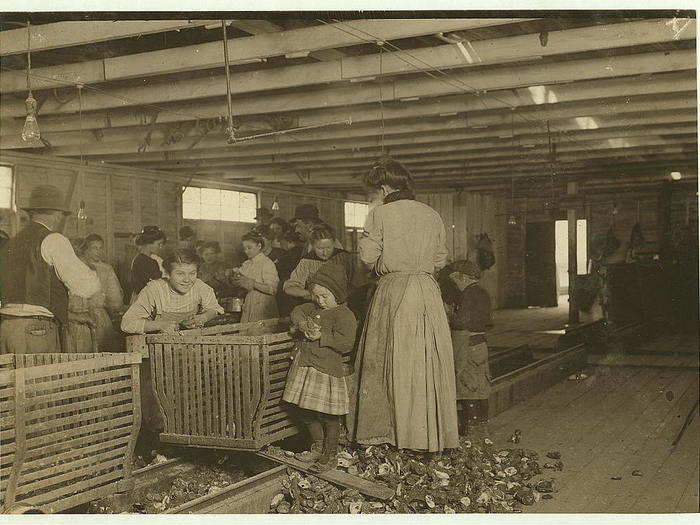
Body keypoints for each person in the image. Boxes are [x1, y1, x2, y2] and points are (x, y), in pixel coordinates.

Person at [348, 158, 459, 453]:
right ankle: (425, 436)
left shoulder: (380, 214)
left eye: (372, 193)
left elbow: (367, 258)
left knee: (388, 361)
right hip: (426, 291)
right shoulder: (432, 214)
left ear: (383, 189)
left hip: (394, 290)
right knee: (424, 362)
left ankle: (391, 435)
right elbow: (440, 260)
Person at [0, 185, 100, 354]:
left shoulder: (10, 243)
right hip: (37, 330)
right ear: (57, 214)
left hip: (6, 328)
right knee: (39, 379)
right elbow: (86, 287)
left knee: (13, 380)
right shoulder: (54, 240)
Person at [283, 261, 358, 472]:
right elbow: (297, 310)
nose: (320, 300)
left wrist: (322, 336)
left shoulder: (344, 315)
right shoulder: (312, 307)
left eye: (325, 296)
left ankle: (330, 453)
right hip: (307, 369)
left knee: (329, 416)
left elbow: (346, 343)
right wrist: (302, 324)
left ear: (339, 294)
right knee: (304, 411)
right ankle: (317, 446)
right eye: (316, 295)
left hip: (325, 371)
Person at [440, 260, 493, 440]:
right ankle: (480, 431)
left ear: (462, 277)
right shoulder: (480, 292)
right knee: (479, 387)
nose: (454, 284)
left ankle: (474, 435)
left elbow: (461, 323)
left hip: (469, 347)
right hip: (479, 346)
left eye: (454, 280)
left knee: (469, 388)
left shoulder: (469, 294)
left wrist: (447, 314)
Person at [121, 249, 224, 335]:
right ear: (167, 274)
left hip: (192, 343)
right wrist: (160, 325)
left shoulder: (200, 287)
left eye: (192, 273)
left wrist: (202, 317)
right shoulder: (154, 290)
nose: (187, 280)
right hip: (159, 346)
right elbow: (127, 323)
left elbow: (214, 308)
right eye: (180, 274)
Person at [65, 234, 125, 353]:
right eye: (94, 248)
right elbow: (115, 301)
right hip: (97, 318)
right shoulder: (107, 269)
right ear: (86, 249)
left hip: (73, 318)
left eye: (100, 248)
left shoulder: (70, 266)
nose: (98, 251)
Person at [283, 224, 351, 302]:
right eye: (320, 248)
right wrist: (311, 294)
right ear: (312, 246)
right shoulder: (307, 262)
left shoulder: (344, 258)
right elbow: (290, 288)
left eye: (329, 248)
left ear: (334, 243)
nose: (325, 253)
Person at [232, 231, 279, 324]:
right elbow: (239, 283)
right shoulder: (247, 264)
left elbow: (273, 289)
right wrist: (235, 278)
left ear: (259, 246)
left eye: (249, 248)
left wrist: (253, 283)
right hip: (249, 303)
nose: (246, 251)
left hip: (264, 305)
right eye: (244, 248)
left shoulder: (267, 264)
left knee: (261, 334)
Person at [130, 226, 166, 301]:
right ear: (149, 243)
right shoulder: (149, 262)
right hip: (146, 299)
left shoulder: (138, 259)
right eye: (159, 244)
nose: (161, 247)